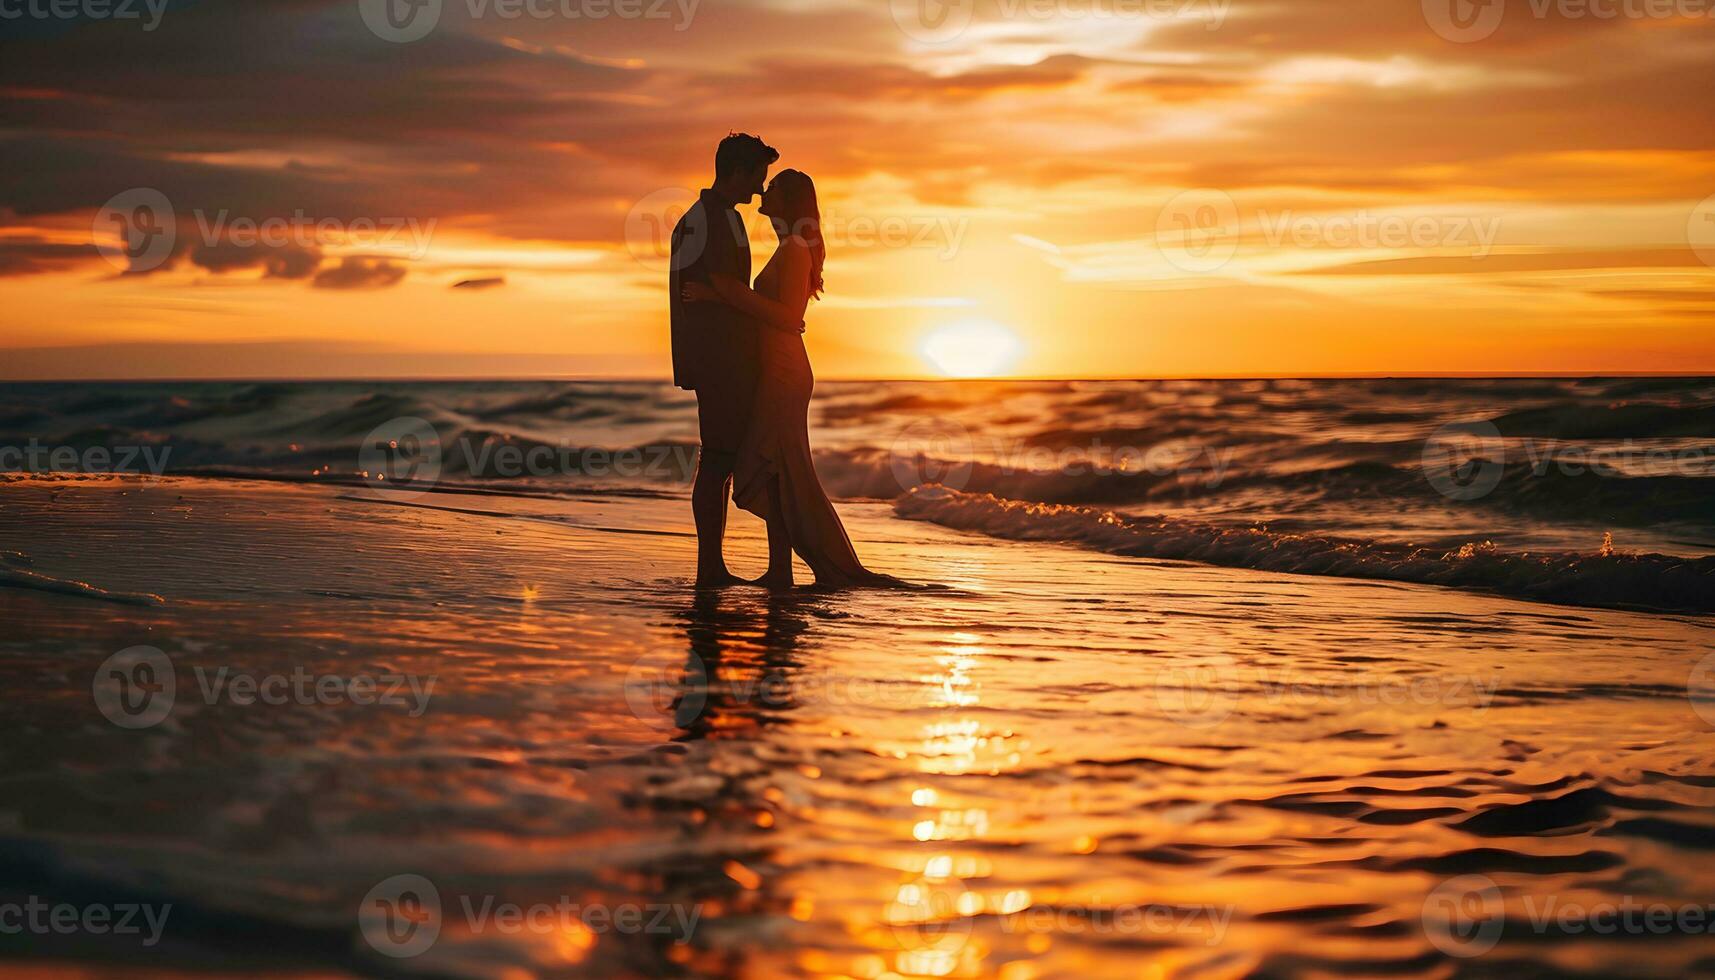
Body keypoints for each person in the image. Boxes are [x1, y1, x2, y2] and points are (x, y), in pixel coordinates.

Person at [683, 169, 899, 589]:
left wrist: (721, 292)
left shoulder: (797, 248)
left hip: (785, 371)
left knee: (775, 464)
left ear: (792, 201)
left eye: (775, 186)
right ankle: (779, 569)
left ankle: (788, 568)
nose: (765, 189)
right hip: (774, 369)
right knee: (777, 469)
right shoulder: (788, 246)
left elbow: (789, 319)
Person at [668, 133, 800, 587]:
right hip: (722, 360)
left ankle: (718, 567)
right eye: (758, 178)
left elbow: (720, 291)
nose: (761, 189)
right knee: (720, 460)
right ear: (737, 172)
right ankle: (713, 569)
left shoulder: (714, 217)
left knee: (721, 460)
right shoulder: (711, 221)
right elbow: (725, 290)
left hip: (720, 360)